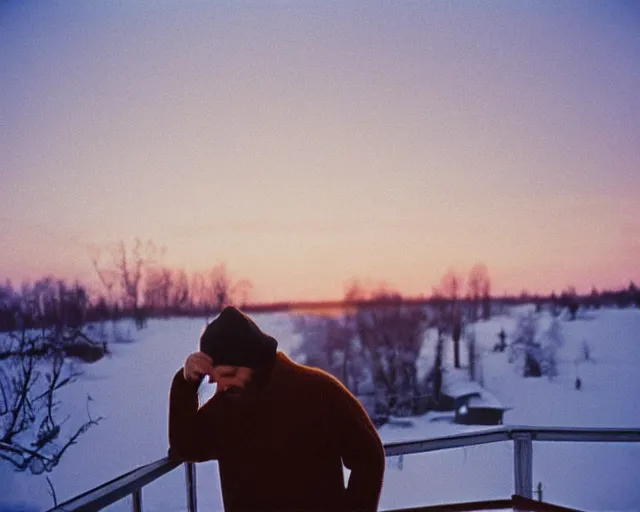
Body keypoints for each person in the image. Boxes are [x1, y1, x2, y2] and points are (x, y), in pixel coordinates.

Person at [168, 306, 386, 512]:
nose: (222, 386)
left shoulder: (319, 391)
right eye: (215, 379)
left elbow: (369, 455)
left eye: (230, 374)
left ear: (256, 363)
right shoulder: (227, 406)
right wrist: (186, 382)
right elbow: (186, 446)